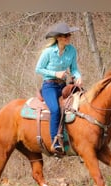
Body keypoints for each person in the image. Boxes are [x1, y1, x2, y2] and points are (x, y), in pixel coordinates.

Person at [35, 22, 83, 154]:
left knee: (77, 106)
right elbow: (38, 69)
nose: (68, 37)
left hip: (63, 85)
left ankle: (77, 140)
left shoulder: (72, 50)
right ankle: (55, 141)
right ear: (58, 38)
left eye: (69, 35)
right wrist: (55, 73)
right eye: (65, 35)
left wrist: (78, 77)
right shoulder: (48, 52)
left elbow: (74, 69)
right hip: (49, 86)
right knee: (55, 110)